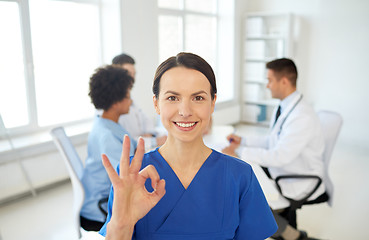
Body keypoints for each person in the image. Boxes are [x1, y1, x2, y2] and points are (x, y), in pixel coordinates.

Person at [98, 52, 278, 239]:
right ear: (156, 103)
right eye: (172, 98)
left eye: (198, 98)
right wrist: (122, 224)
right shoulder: (132, 176)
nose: (185, 111)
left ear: (212, 102)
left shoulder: (240, 177)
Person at [222, 58, 325, 240]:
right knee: (245, 187)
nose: (267, 86)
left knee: (247, 199)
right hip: (285, 168)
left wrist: (238, 151)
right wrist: (243, 141)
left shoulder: (301, 116)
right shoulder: (285, 105)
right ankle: (287, 231)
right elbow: (272, 140)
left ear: (284, 81)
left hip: (297, 176)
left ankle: (290, 234)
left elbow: (279, 156)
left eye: (269, 80)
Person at [80, 65, 137, 231]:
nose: (131, 101)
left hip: (97, 201)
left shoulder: (104, 123)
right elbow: (125, 177)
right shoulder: (108, 136)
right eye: (127, 96)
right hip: (99, 210)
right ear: (115, 102)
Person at [112, 53, 167, 149]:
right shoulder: (113, 106)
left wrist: (149, 135)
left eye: (134, 74)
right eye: (128, 74)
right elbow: (124, 140)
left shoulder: (131, 100)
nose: (132, 79)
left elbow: (147, 122)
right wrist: (154, 141)